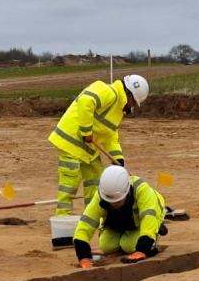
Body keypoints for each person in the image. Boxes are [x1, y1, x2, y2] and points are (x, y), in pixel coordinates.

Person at [49, 74, 149, 216]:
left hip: (88, 148)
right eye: (134, 103)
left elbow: (111, 135)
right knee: (70, 179)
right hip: (71, 141)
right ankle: (63, 215)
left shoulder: (117, 110)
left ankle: (92, 214)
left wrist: (118, 158)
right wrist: (86, 131)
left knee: (96, 177)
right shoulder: (108, 91)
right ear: (129, 95)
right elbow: (86, 101)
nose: (132, 106)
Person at [74, 165, 166, 268]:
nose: (114, 204)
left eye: (118, 201)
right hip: (121, 221)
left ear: (127, 192)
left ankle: (157, 230)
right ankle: (125, 237)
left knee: (129, 246)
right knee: (106, 246)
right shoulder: (101, 195)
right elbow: (85, 224)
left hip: (145, 219)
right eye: (110, 202)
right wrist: (83, 257)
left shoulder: (142, 190)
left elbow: (149, 218)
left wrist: (142, 250)